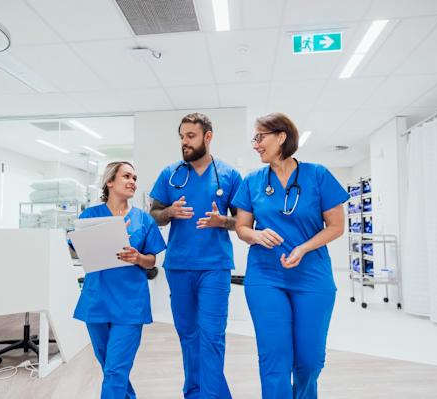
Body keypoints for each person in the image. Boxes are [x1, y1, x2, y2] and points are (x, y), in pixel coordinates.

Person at [232, 112, 349, 399]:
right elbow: (242, 228)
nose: (255, 144)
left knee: (309, 361)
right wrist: (256, 235)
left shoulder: (317, 174)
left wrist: (304, 247)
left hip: (312, 277)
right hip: (265, 276)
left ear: (281, 136)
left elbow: (336, 226)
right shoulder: (252, 181)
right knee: (274, 357)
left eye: (260, 137)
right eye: (254, 138)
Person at [149, 113, 242, 399]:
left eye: (190, 136)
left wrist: (221, 221)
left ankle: (211, 395)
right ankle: (195, 393)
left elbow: (243, 223)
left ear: (208, 137)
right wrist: (169, 213)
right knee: (189, 335)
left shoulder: (229, 175)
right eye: (181, 136)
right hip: (178, 266)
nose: (184, 142)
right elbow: (155, 215)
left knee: (212, 335)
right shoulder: (170, 174)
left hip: (214, 266)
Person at [73, 161, 166, 399]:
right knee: (110, 368)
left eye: (135, 177)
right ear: (110, 181)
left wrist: (137, 258)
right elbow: (76, 251)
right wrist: (101, 237)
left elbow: (152, 261)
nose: (133, 181)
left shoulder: (144, 220)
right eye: (126, 176)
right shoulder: (90, 216)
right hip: (97, 302)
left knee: (116, 370)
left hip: (129, 304)